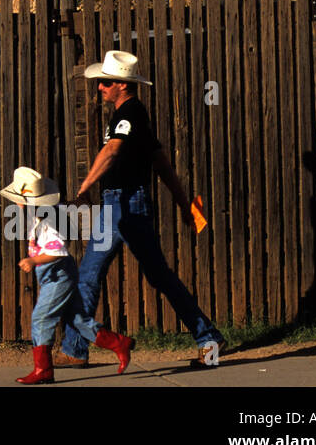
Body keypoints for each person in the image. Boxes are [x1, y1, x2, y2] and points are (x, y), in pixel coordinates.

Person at [57, 50, 226, 368]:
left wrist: (83, 188)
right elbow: (161, 163)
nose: (100, 87)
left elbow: (111, 151)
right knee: (149, 275)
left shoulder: (130, 113)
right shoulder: (134, 116)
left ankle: (74, 348)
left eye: (106, 82)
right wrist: (184, 204)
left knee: (92, 275)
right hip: (121, 204)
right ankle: (208, 338)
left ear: (122, 84)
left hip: (122, 205)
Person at [1, 166, 133, 384]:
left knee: (41, 318)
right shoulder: (45, 209)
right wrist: (79, 202)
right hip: (58, 274)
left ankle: (43, 370)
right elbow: (68, 206)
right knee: (77, 320)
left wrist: (33, 260)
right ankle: (119, 343)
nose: (15, 203)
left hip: (58, 275)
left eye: (17, 198)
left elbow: (56, 251)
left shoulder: (47, 221)